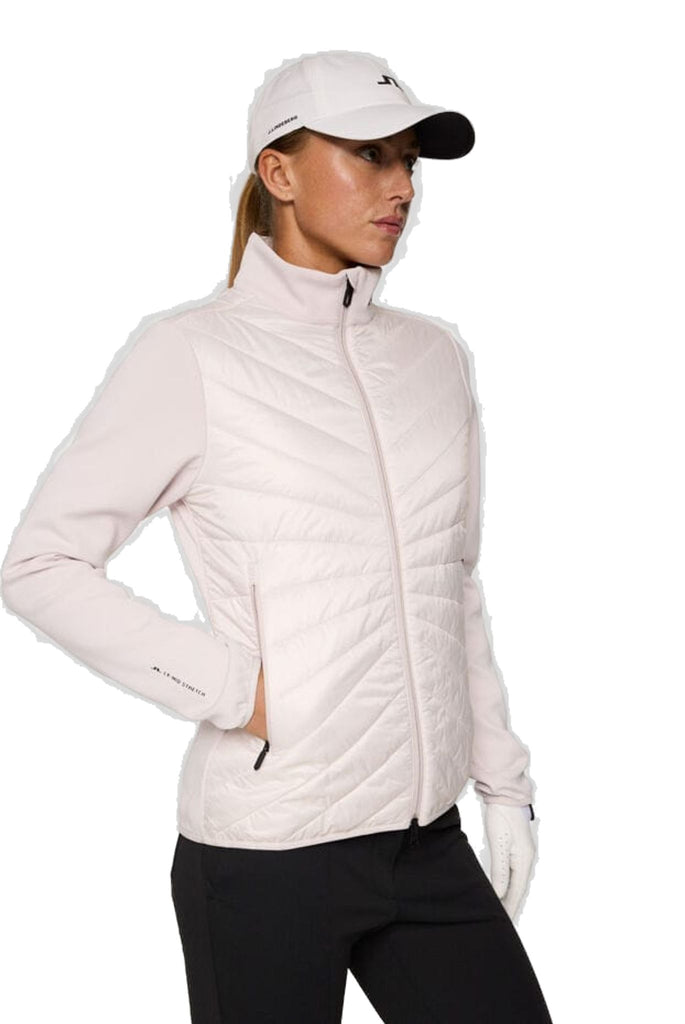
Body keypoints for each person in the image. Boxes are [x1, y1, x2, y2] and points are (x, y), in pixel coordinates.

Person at [0, 50, 553, 1023]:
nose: (401, 187)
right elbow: (41, 564)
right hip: (267, 854)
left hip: (424, 843)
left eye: (409, 160)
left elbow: (450, 582)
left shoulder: (432, 357)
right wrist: (236, 688)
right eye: (370, 155)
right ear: (279, 172)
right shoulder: (191, 356)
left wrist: (502, 784)